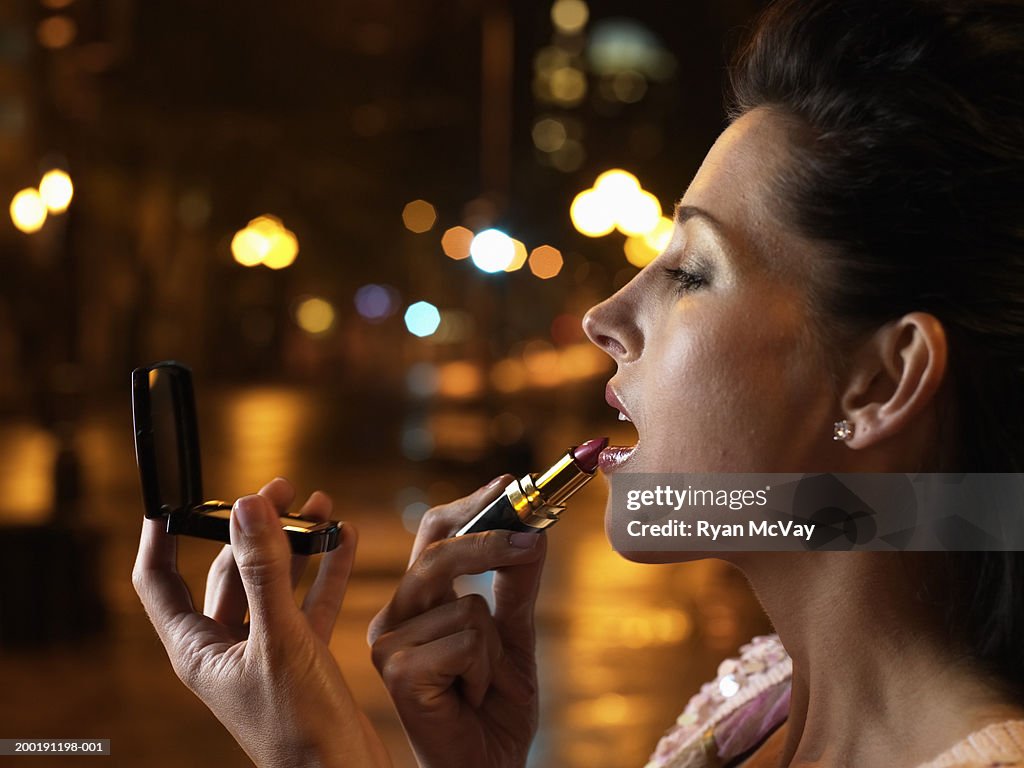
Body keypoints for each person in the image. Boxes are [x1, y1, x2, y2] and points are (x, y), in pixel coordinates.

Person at [133, 0, 1024, 765]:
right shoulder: (758, 707)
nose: (603, 317)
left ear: (881, 381)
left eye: (691, 273)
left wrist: (318, 753)